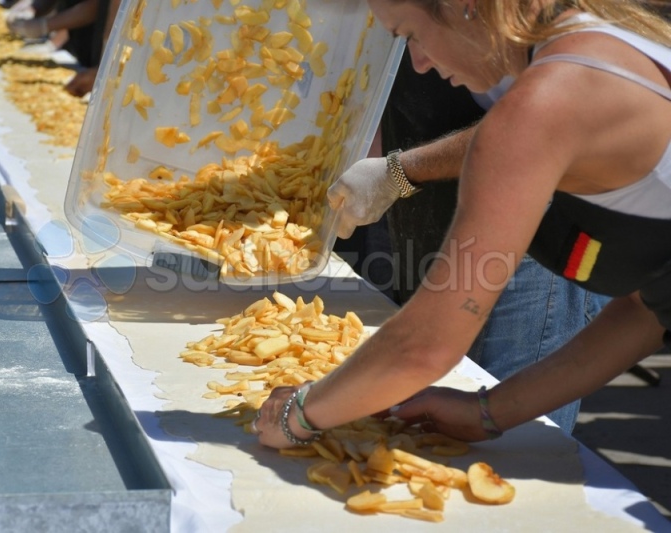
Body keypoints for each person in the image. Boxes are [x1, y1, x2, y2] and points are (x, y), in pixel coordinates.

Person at [254, 0, 671, 448]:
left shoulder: (542, 104)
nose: (417, 63)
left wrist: (297, 416)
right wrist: (488, 412)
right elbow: (645, 308)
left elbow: (426, 345)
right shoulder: (593, 42)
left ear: (463, 6)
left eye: (409, 35)